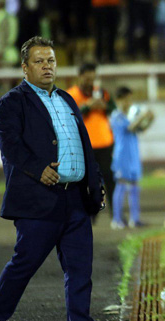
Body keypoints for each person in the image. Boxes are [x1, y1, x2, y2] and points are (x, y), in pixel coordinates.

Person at [0, 36, 112, 321]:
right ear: (24, 67)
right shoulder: (11, 103)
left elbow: (84, 145)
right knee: (23, 267)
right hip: (38, 201)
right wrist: (37, 168)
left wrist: (95, 182)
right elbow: (10, 146)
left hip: (75, 200)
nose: (47, 66)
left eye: (51, 61)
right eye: (39, 61)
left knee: (80, 270)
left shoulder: (67, 99)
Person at [67, 63, 116, 217]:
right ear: (80, 77)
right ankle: (90, 214)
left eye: (92, 78)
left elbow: (114, 109)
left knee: (109, 178)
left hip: (104, 142)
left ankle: (116, 213)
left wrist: (105, 106)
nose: (90, 82)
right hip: (83, 144)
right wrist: (87, 107)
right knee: (87, 182)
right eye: (87, 78)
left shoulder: (101, 92)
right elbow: (69, 116)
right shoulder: (71, 94)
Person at [110, 86, 154, 229]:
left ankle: (134, 219)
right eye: (126, 100)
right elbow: (130, 128)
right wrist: (142, 117)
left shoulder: (129, 117)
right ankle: (116, 219)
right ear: (118, 100)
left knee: (135, 187)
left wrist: (149, 119)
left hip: (133, 156)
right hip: (122, 156)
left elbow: (140, 128)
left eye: (130, 99)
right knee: (121, 185)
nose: (129, 103)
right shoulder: (116, 116)